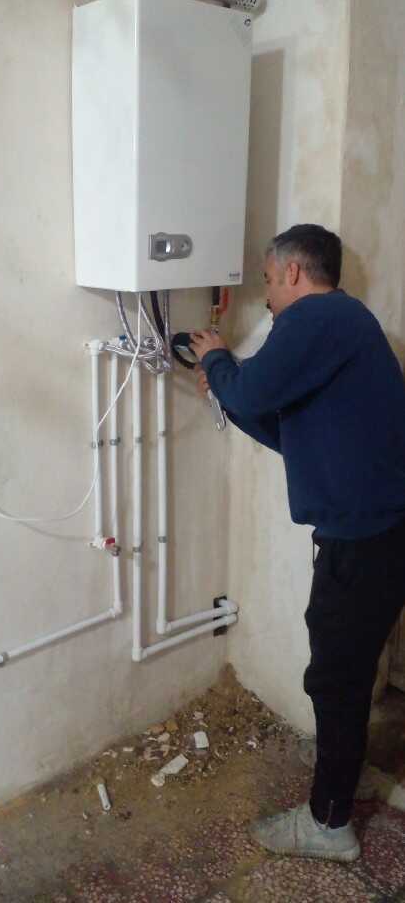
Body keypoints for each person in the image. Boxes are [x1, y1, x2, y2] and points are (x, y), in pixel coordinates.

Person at [190, 223, 405, 863]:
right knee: (347, 669)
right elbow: (288, 430)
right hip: (378, 532)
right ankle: (345, 772)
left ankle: (329, 824)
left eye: (267, 279)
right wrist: (228, 390)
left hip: (364, 539)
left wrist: (216, 358)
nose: (266, 295)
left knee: (334, 678)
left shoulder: (315, 317)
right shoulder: (345, 325)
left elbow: (255, 388)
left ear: (292, 272)